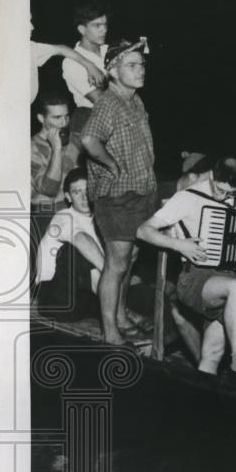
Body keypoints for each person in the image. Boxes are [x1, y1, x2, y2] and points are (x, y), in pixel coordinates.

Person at [136, 157, 236, 383]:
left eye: (228, 193)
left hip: (227, 279)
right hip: (195, 277)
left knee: (211, 355)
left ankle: (201, 406)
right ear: (212, 176)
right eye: (220, 189)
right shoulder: (187, 198)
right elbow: (143, 231)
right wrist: (179, 244)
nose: (222, 196)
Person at [79, 38, 158, 345]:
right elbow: (89, 140)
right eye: (132, 65)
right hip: (117, 198)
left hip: (140, 192)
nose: (140, 71)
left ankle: (122, 316)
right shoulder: (107, 104)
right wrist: (111, 165)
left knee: (132, 256)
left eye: (142, 65)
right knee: (116, 263)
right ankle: (110, 330)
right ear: (112, 71)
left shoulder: (134, 100)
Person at [33, 168, 104, 321]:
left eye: (88, 190)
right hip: (54, 298)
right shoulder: (63, 216)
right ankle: (116, 312)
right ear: (68, 197)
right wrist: (110, 275)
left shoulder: (100, 222)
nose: (85, 197)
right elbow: (80, 239)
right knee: (75, 250)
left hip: (82, 297)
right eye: (77, 192)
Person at [61, 1, 109, 133]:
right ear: (82, 29)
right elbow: (102, 102)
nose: (104, 30)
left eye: (105, 24)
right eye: (97, 25)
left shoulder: (109, 50)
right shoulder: (71, 63)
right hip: (93, 123)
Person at [31, 94, 82, 215]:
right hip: (46, 212)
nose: (63, 122)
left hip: (74, 208)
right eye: (57, 117)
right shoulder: (31, 148)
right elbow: (49, 189)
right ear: (41, 118)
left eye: (66, 116)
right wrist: (56, 149)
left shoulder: (75, 139)